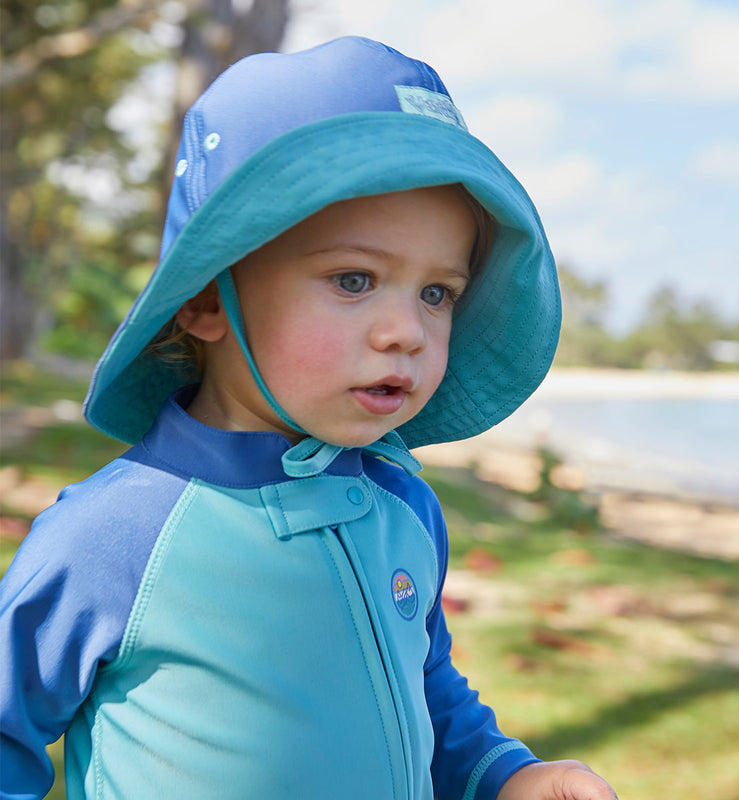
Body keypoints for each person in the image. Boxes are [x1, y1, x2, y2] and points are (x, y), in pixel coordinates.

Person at [0, 36, 617, 800]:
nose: (408, 331)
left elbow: (424, 692)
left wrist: (507, 774)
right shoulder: (113, 536)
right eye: (354, 279)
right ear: (204, 298)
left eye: (437, 293)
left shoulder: (404, 507)